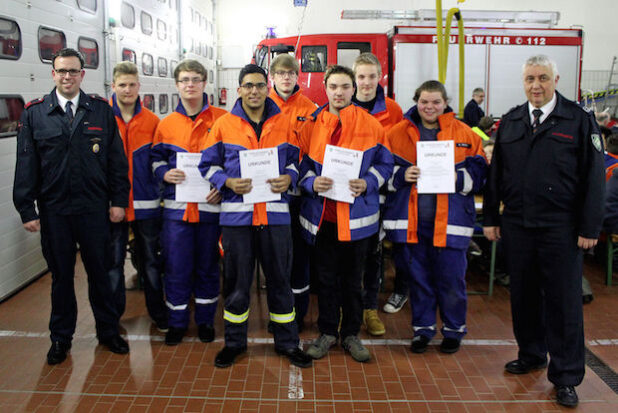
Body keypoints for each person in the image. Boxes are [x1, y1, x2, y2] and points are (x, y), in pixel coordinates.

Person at [483, 55, 605, 408]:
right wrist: (491, 217)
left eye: (543, 78)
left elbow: (594, 178)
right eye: (530, 79)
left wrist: (589, 226)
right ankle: (532, 353)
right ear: (523, 82)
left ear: (556, 79)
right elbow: (496, 176)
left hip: (561, 228)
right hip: (518, 225)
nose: (536, 85)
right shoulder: (512, 121)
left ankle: (566, 376)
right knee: (523, 295)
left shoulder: (579, 121)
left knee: (564, 303)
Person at [13, 48, 131, 364]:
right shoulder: (35, 113)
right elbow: (26, 164)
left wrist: (119, 201)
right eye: (61, 71)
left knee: (101, 274)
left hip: (94, 209)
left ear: (82, 74)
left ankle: (108, 332)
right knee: (61, 277)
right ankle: (60, 339)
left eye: (73, 71)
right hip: (56, 212)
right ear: (53, 74)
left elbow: (117, 162)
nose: (67, 76)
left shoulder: (101, 112)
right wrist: (27, 208)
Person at [200, 64, 312, 369]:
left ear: (268, 87)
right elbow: (207, 166)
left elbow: (296, 161)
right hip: (237, 219)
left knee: (280, 281)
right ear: (239, 90)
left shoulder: (284, 122)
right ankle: (234, 344)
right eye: (248, 85)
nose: (254, 91)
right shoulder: (224, 125)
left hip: (275, 217)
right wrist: (226, 183)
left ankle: (288, 343)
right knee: (236, 284)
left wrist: (289, 178)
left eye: (260, 85)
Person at [383, 80, 487, 355]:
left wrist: (457, 177)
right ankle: (423, 330)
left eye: (435, 102)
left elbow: (482, 176)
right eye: (424, 102)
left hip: (451, 222)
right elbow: (381, 173)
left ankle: (453, 330)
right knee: (419, 279)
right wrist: (400, 176)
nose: (429, 107)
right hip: (411, 222)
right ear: (416, 102)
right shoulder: (395, 134)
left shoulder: (466, 134)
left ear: (445, 103)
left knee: (451, 279)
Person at [298, 65, 393, 363]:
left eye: (345, 87)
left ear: (354, 90)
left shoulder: (372, 125)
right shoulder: (310, 124)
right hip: (323, 219)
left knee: (355, 281)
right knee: (325, 280)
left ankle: (351, 334)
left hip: (357, 221)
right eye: (333, 86)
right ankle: (327, 332)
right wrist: (312, 183)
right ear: (324, 88)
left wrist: (369, 182)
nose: (339, 92)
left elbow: (386, 165)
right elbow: (299, 166)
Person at [151, 59, 227, 346]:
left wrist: (223, 185)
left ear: (205, 82)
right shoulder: (166, 124)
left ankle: (206, 321)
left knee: (208, 267)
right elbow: (156, 158)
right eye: (184, 80)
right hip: (177, 212)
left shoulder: (222, 119)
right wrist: (164, 172)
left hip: (211, 209)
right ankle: (177, 323)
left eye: (195, 79)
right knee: (176, 267)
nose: (190, 85)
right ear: (177, 85)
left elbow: (231, 160)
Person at [107, 62, 167, 331]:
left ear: (139, 86)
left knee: (152, 264)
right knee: (113, 264)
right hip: (113, 207)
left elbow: (160, 162)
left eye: (132, 84)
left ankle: (159, 314)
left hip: (147, 206)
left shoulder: (153, 122)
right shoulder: (102, 119)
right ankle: (112, 318)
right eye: (122, 84)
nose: (128, 89)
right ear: (113, 86)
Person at [351, 52, 403, 337]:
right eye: (361, 76)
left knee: (374, 255)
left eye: (372, 76)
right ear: (354, 78)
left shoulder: (393, 110)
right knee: (346, 258)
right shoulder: (342, 105)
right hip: (344, 195)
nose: (367, 82)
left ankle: (369, 308)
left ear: (380, 77)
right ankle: (348, 308)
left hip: (379, 194)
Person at [268, 54, 317, 332]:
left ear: (297, 76)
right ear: (272, 77)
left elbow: (313, 152)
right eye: (281, 73)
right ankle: (279, 315)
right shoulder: (263, 105)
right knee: (275, 257)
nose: (286, 77)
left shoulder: (310, 109)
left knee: (299, 257)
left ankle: (298, 315)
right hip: (271, 195)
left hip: (300, 196)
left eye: (290, 73)